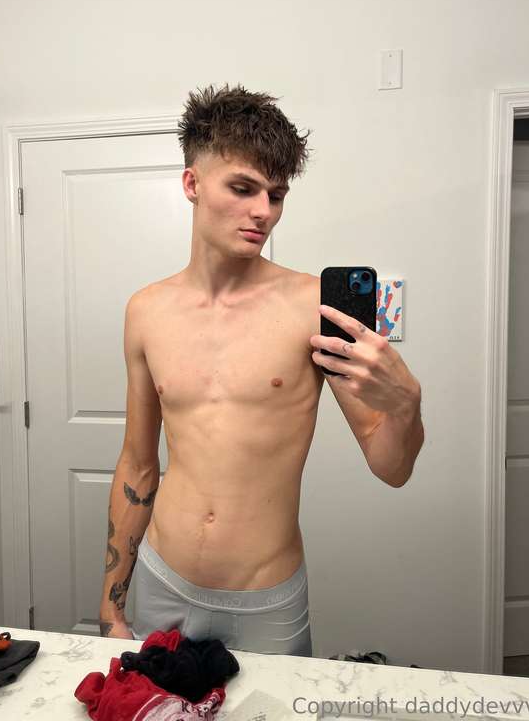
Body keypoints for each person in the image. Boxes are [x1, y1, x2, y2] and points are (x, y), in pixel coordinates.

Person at [98, 84, 424, 656]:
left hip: (265, 601)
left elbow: (391, 468)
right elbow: (138, 464)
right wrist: (111, 603)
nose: (263, 212)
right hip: (160, 581)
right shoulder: (145, 310)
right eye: (243, 188)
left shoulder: (312, 305)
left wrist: (406, 404)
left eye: (276, 195)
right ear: (192, 184)